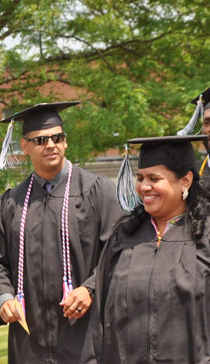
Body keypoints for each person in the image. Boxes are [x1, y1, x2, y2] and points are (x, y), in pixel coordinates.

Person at [0, 102, 123, 363]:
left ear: (65, 142)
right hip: (30, 343)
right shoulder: (11, 204)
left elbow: (121, 251)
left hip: (87, 339)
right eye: (41, 140)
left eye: (57, 137)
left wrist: (90, 289)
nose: (51, 144)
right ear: (25, 146)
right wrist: (3, 297)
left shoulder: (96, 191)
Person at [86, 135, 210, 363]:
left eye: (154, 178)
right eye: (140, 177)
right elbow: (99, 322)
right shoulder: (123, 237)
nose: (144, 187)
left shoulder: (205, 236)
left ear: (185, 181)